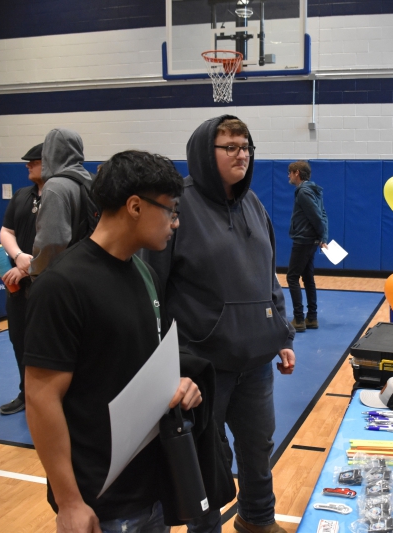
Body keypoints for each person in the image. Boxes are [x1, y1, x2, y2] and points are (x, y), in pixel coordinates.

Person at [24, 150, 203, 533]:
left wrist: (180, 386)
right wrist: (70, 501)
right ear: (135, 206)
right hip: (100, 501)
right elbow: (41, 398)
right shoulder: (63, 286)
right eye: (170, 209)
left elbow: (140, 366)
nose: (174, 223)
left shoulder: (143, 272)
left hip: (152, 486)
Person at [143, 115, 295, 533]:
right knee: (207, 461)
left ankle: (257, 520)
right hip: (202, 366)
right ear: (205, 153)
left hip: (256, 362)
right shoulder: (177, 205)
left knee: (257, 447)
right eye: (229, 146)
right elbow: (150, 287)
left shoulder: (255, 205)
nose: (240, 154)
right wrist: (163, 360)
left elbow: (268, 275)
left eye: (245, 146)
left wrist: (281, 332)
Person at [0, 143, 44, 416]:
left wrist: (30, 267)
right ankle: (26, 392)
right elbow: (6, 231)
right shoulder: (21, 195)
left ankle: (50, 396)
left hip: (47, 284)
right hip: (19, 286)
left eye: (33, 161)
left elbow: (62, 242)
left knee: (47, 342)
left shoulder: (60, 195)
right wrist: (18, 257)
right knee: (19, 338)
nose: (27, 165)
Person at [30, 128, 93, 277]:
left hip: (65, 277)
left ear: (48, 152)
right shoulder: (92, 180)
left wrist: (35, 274)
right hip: (92, 270)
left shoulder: (55, 186)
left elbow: (51, 243)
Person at [286, 160, 329, 332]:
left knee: (292, 277)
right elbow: (323, 214)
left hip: (303, 240)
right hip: (311, 240)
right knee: (308, 277)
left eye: (290, 172)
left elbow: (317, 217)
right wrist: (322, 236)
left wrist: (322, 236)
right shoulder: (314, 190)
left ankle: (299, 319)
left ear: (297, 173)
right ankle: (311, 317)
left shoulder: (303, 192)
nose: (288, 176)